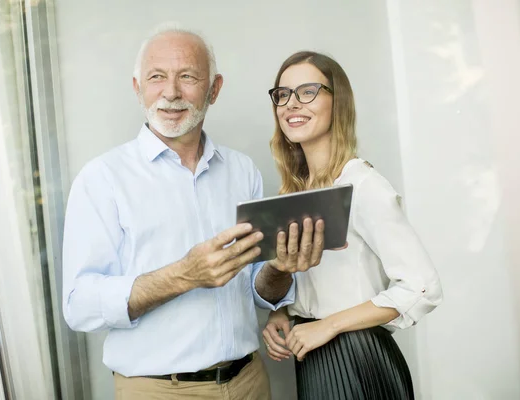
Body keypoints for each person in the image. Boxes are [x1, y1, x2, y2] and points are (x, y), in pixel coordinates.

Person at [61, 26, 328, 400]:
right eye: (157, 77)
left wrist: (280, 267)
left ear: (214, 89)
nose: (171, 92)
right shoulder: (102, 179)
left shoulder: (242, 171)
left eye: (187, 77)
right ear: (138, 88)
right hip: (159, 391)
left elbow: (259, 289)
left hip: (250, 382)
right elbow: (79, 306)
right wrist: (182, 276)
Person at [262, 51, 443, 400]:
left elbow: (423, 286)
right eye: (282, 94)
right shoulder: (298, 193)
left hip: (358, 360)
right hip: (314, 358)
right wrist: (283, 312)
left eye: (308, 91)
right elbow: (320, 284)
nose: (291, 104)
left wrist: (327, 325)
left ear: (338, 102)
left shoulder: (362, 184)